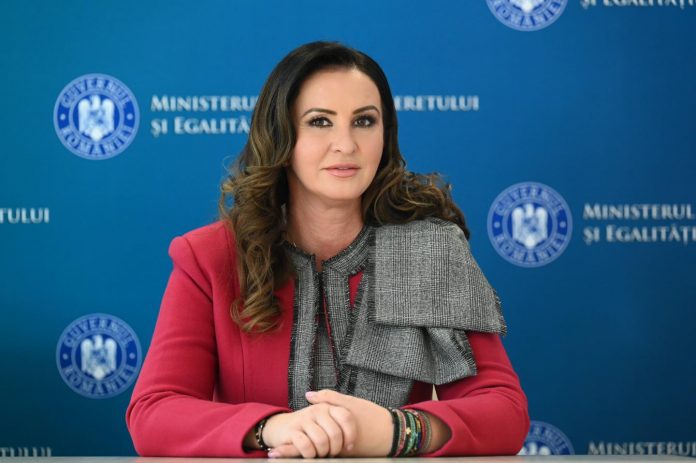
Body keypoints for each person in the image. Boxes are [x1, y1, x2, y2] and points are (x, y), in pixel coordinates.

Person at [126, 41, 529, 458]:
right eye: (320, 121)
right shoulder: (210, 256)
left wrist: (398, 430)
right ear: (282, 136)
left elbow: (504, 411)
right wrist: (272, 428)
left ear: (385, 134)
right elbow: (154, 413)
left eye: (364, 121)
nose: (346, 144)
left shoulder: (428, 251)